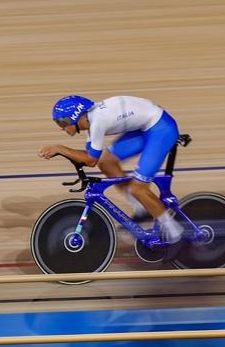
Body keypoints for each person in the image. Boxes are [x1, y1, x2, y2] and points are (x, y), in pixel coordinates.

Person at [38, 95, 183, 241]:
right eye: (58, 123)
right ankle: (141, 209)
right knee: (106, 162)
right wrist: (64, 151)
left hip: (161, 129)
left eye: (63, 122)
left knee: (138, 189)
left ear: (76, 116)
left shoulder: (97, 121)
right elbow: (91, 157)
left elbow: (90, 160)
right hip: (145, 127)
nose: (61, 127)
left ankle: (175, 232)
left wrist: (60, 149)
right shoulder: (91, 120)